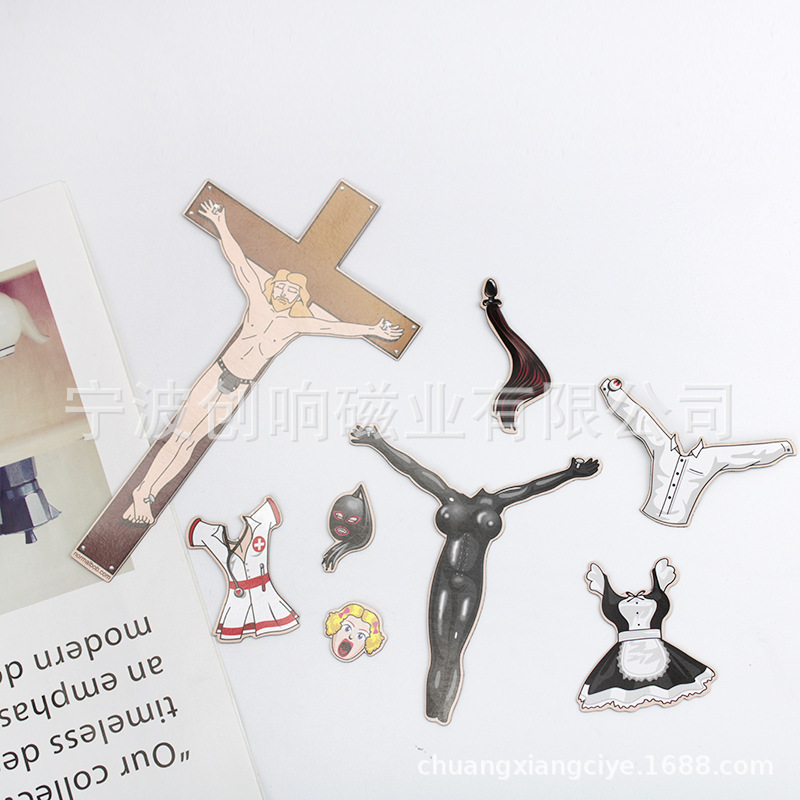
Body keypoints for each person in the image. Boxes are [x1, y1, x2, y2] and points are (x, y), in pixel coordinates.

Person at [123, 200, 402, 525]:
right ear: (272, 287)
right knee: (179, 436)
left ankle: (151, 494)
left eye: (291, 290)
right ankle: (141, 492)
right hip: (217, 375)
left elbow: (334, 328)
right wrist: (220, 223)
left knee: (191, 444)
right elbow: (238, 262)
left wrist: (372, 329)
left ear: (299, 298)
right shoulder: (257, 303)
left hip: (237, 389)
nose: (284, 291)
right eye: (280, 286)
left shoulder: (296, 324)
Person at [350, 423, 600, 725]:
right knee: (440, 650)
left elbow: (532, 488)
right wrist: (377, 442)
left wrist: (570, 473)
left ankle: (442, 714)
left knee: (453, 650)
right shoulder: (450, 496)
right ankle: (433, 713)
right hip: (445, 579)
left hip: (469, 583)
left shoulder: (495, 501)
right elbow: (413, 470)